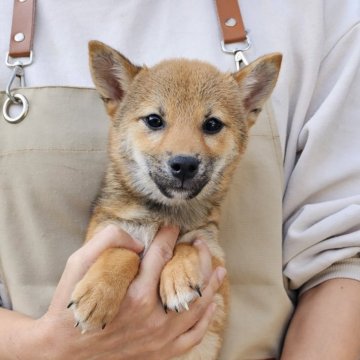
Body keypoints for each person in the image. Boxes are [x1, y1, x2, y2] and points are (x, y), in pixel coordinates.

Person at [0, 1, 359, 359]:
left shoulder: (313, 11)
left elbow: (342, 254)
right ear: (115, 92)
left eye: (212, 125)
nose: (184, 153)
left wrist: (185, 257)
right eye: (155, 122)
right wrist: (44, 348)